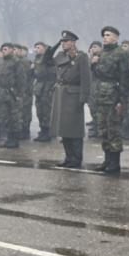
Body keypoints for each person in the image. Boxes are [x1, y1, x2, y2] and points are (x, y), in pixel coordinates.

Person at [89, 26, 129, 173]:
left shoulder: (122, 53)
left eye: (108, 35)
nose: (105, 38)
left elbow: (125, 78)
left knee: (114, 130)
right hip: (101, 96)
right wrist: (93, 64)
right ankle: (107, 159)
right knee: (103, 130)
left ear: (116, 37)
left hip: (114, 96)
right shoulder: (102, 53)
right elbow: (98, 74)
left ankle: (115, 162)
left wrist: (121, 100)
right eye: (104, 35)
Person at [51, 30, 91, 168]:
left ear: (73, 42)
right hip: (62, 95)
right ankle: (68, 157)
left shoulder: (81, 57)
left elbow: (86, 79)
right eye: (62, 41)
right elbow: (46, 59)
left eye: (66, 41)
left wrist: (83, 98)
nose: (64, 43)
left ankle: (76, 158)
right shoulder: (61, 55)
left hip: (74, 95)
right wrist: (57, 44)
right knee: (64, 129)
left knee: (74, 130)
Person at [33, 42, 56, 141]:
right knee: (39, 111)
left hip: (47, 87)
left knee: (47, 111)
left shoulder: (48, 59)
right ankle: (42, 130)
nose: (36, 49)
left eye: (38, 47)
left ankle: (48, 132)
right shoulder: (36, 59)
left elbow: (53, 74)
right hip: (39, 87)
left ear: (45, 49)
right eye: (35, 48)